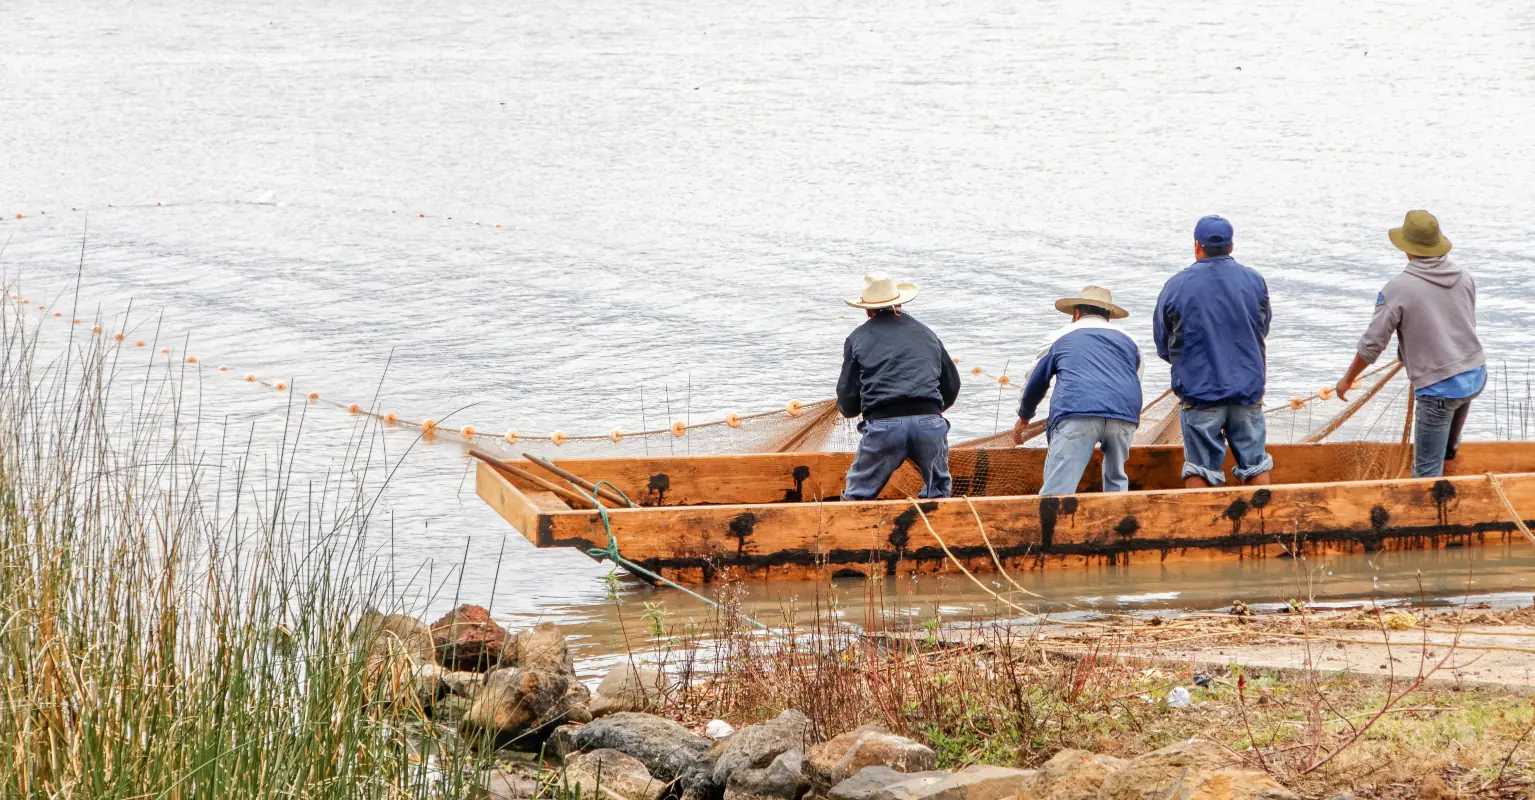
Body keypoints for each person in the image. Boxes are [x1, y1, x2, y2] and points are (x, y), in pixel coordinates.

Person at [1335, 210, 1483, 478]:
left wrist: (1347, 380)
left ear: (1407, 249)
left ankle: (1430, 510)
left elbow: (1372, 345)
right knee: (1446, 452)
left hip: (1438, 388)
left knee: (1425, 473)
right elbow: (1460, 323)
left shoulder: (1398, 288)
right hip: (1474, 375)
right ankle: (1450, 480)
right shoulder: (1464, 276)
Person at [1153, 215, 1274, 488]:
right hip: (1247, 389)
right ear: (1231, 246)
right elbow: (1261, 329)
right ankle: (1266, 527)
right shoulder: (1254, 281)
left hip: (1200, 393)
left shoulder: (1176, 285)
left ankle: (1201, 529)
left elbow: (1163, 344)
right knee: (1256, 464)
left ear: (1197, 245)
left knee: (1200, 468)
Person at [837, 273, 961, 500]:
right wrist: (928, 413)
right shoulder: (928, 333)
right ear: (900, 303)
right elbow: (952, 386)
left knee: (856, 499)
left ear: (867, 310)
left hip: (884, 427)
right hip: (930, 425)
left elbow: (847, 402)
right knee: (939, 495)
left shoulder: (857, 338)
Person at [1014, 286, 1143, 495]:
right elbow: (1135, 380)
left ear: (1076, 314)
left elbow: (1035, 381)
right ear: (1108, 317)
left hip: (1078, 413)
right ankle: (1116, 524)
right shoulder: (1130, 340)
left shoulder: (1060, 336)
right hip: (1124, 415)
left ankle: (1052, 526)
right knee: (1116, 482)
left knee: (1057, 491)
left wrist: (1024, 418)